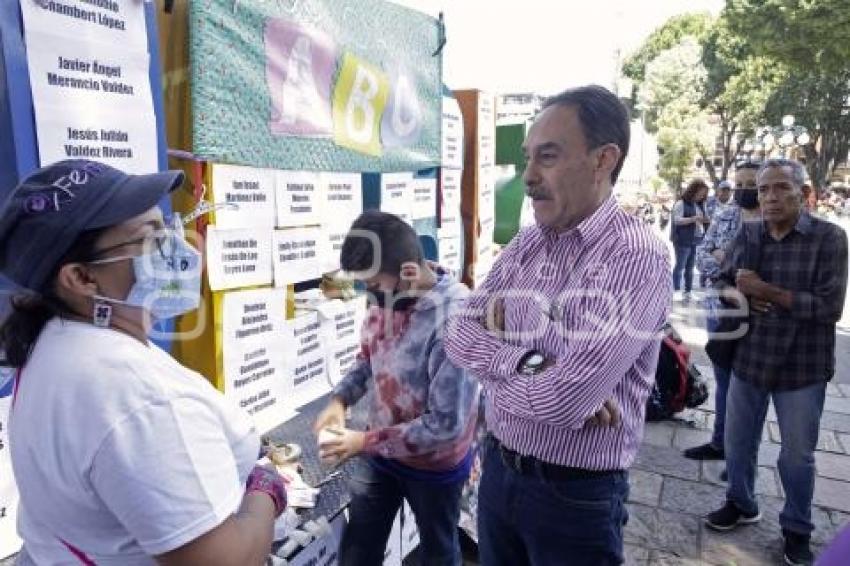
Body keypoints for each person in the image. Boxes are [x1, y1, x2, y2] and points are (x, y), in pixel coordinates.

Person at [0, 160, 287, 565]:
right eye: (150, 238)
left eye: (167, 227)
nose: (177, 247)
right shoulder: (134, 394)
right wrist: (265, 489)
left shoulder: (55, 341)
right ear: (82, 278)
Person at [444, 85, 671, 566]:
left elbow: (565, 399)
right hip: (499, 471)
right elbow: (457, 334)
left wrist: (519, 377)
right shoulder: (528, 244)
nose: (528, 176)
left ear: (603, 159)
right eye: (528, 158)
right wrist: (532, 362)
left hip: (573, 497)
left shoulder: (634, 256)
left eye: (547, 157)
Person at [704, 159, 848, 566]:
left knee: (796, 455)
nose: (769, 197)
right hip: (750, 358)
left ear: (805, 194)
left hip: (802, 366)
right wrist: (741, 293)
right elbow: (722, 277)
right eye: (764, 189)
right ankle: (741, 502)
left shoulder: (830, 239)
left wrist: (769, 291)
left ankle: (796, 528)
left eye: (781, 188)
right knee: (737, 441)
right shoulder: (750, 234)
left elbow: (829, 308)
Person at [314, 210, 478, 566]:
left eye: (372, 285)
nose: (369, 295)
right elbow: (368, 359)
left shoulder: (456, 320)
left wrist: (362, 442)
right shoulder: (386, 297)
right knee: (359, 548)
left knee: (438, 552)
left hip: (435, 468)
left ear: (409, 271)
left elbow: (446, 425)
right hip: (381, 456)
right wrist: (340, 399)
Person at [685, 161, 761, 462]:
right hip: (720, 311)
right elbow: (702, 255)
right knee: (724, 381)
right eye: (740, 184)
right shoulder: (727, 214)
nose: (744, 190)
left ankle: (742, 458)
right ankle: (720, 442)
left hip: (758, 317)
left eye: (751, 184)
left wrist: (724, 258)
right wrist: (726, 262)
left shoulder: (774, 220)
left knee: (750, 391)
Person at [671, 179, 711, 301]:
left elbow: (705, 219)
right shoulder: (681, 203)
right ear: (693, 191)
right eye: (700, 193)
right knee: (680, 266)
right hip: (682, 240)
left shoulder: (700, 204)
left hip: (696, 239)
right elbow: (677, 220)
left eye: (704, 194)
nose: (701, 196)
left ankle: (688, 291)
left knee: (690, 267)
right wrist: (693, 218)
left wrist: (706, 220)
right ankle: (676, 290)